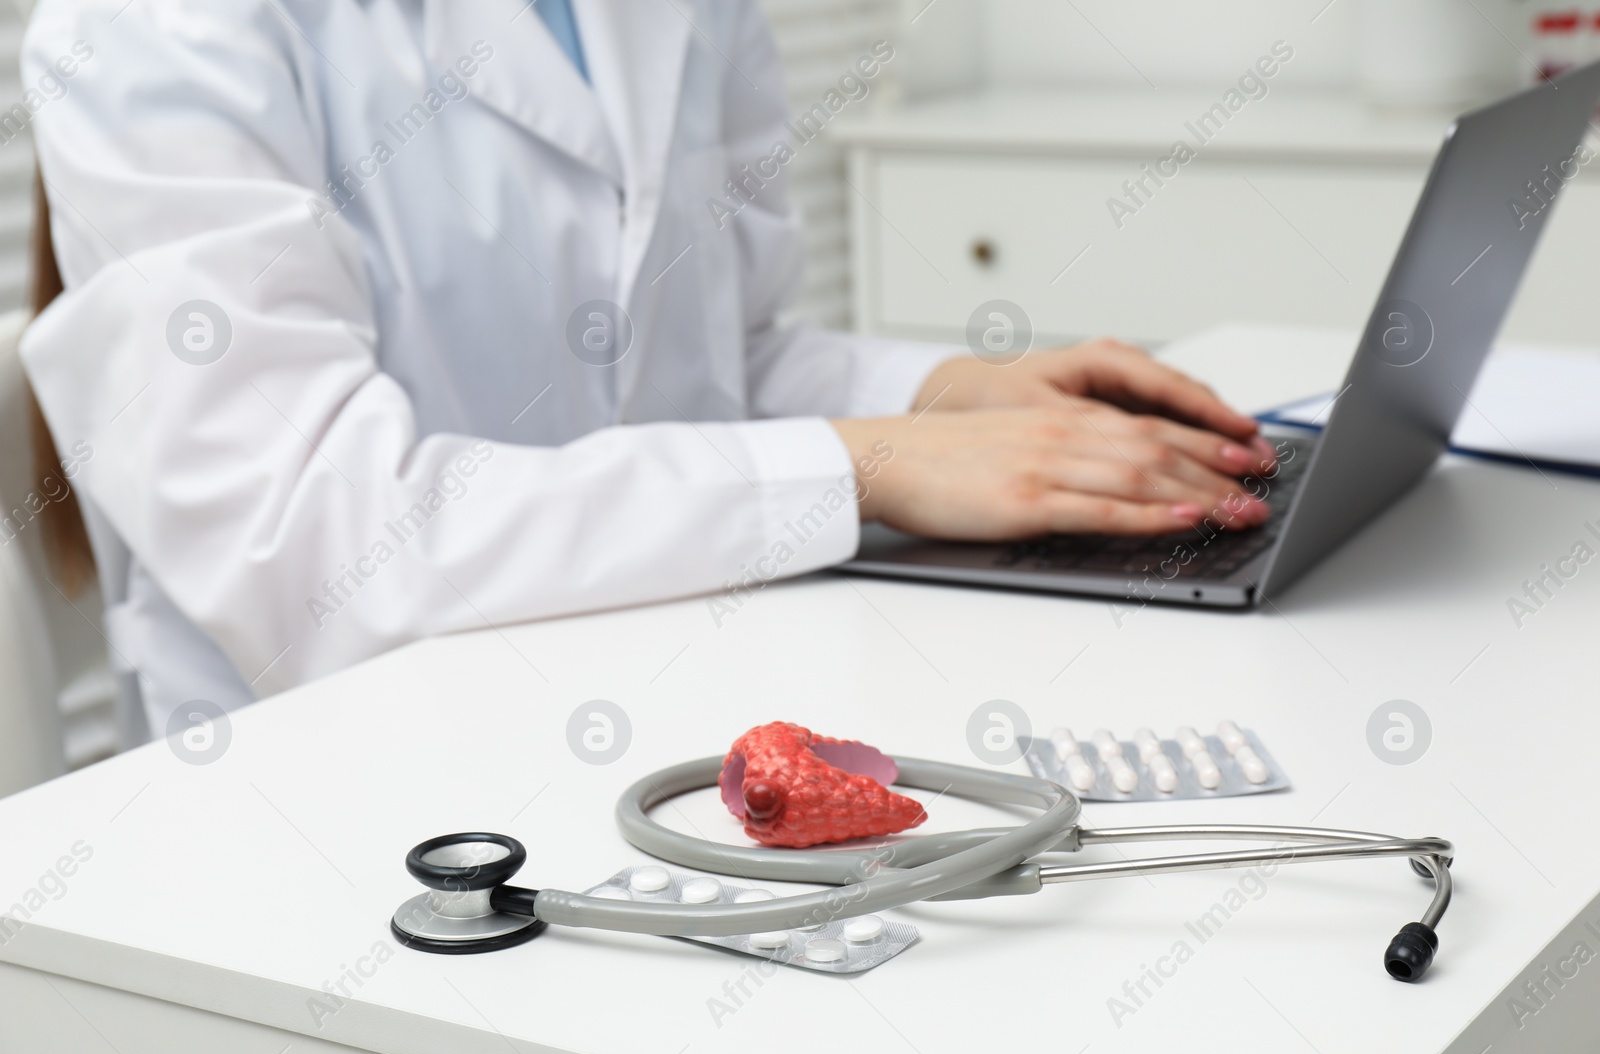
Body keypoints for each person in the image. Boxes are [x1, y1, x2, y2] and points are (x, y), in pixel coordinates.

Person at [19, 0, 1275, 744]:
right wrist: (869, 463)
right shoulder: (151, 25)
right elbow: (325, 551)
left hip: (644, 690)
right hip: (310, 776)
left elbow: (715, 359)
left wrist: (947, 400)